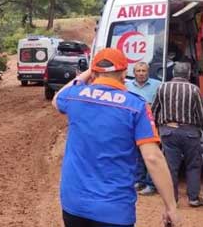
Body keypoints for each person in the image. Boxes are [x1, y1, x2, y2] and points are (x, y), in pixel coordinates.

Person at [52, 48, 179, 227]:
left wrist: (88, 73)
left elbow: (56, 99)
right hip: (114, 210)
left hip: (74, 205)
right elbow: (152, 158)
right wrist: (170, 206)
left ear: (94, 73)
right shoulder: (136, 106)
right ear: (124, 73)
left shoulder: (75, 96)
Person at [152, 61, 203, 207]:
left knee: (170, 166)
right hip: (190, 132)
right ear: (188, 74)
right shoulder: (194, 89)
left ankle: (172, 200)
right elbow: (199, 113)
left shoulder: (162, 87)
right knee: (193, 165)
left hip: (168, 131)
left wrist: (157, 127)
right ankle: (193, 199)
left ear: (173, 73)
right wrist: (198, 129)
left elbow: (155, 109)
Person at [125, 62, 161, 196]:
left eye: (144, 71)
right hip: (133, 125)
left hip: (151, 125)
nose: (141, 73)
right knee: (137, 155)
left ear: (148, 72)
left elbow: (160, 104)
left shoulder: (157, 85)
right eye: (138, 71)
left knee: (151, 155)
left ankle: (151, 184)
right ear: (134, 73)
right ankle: (139, 180)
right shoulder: (127, 86)